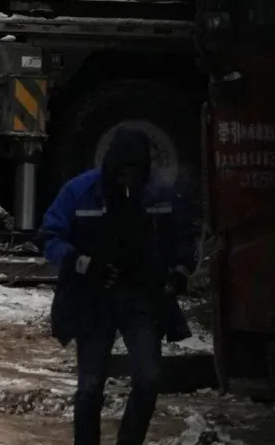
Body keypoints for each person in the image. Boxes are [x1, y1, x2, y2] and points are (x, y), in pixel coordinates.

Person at [39, 129, 194, 445]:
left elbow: (185, 235)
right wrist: (83, 264)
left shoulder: (159, 196)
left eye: (136, 172)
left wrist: (180, 272)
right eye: (123, 171)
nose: (129, 179)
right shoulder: (79, 192)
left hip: (142, 300)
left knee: (149, 379)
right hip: (93, 301)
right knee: (89, 387)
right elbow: (48, 237)